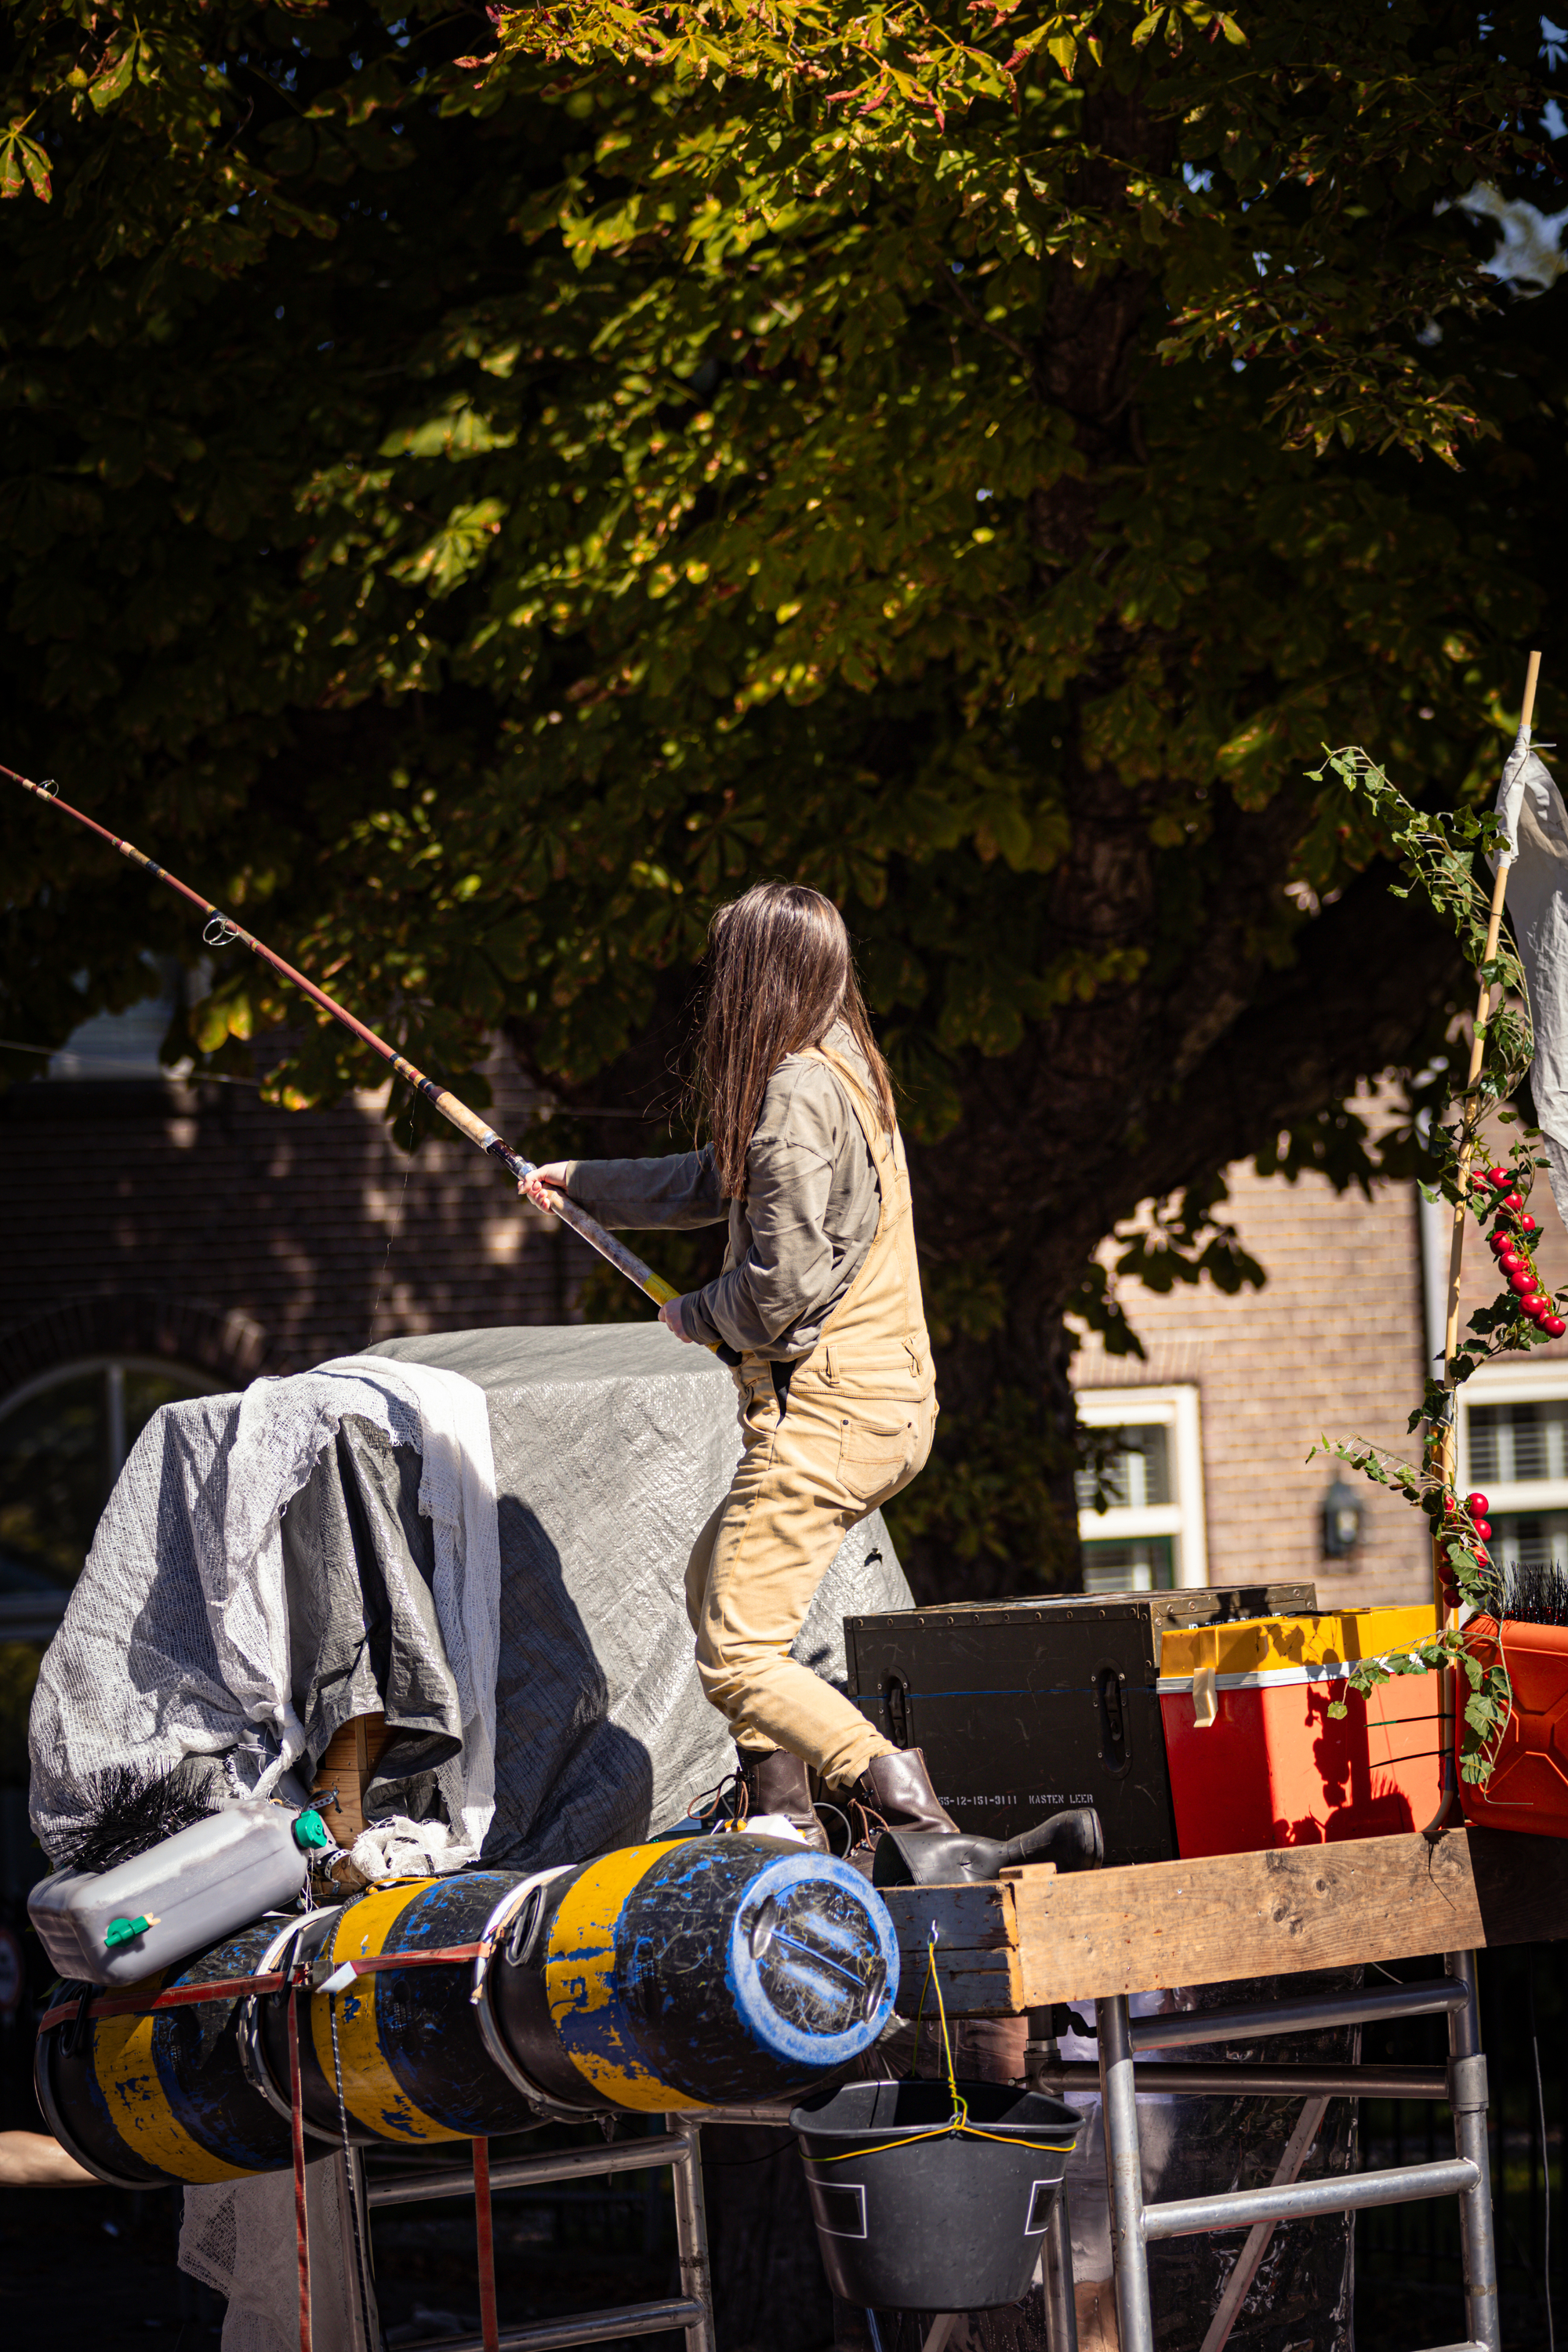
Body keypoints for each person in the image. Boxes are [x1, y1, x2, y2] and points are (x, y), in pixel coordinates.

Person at [521, 880, 960, 1857]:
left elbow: (779, 1284)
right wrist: (581, 1184)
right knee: (708, 1580)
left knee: (736, 1649)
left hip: (830, 1411)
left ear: (757, 976)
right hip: (880, 1403)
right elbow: (714, 1180)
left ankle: (920, 1824)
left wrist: (696, 1315)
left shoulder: (797, 1090)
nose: (715, 986)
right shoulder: (844, 1070)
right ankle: (783, 1815)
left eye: (726, 967)